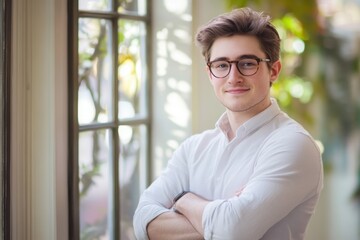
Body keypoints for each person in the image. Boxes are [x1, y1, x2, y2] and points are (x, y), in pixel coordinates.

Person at [133, 7, 323, 240]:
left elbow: (232, 231)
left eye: (247, 63)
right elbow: (142, 220)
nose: (233, 77)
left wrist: (183, 199)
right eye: (222, 65)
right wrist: (221, 218)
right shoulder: (193, 149)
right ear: (210, 73)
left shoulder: (293, 144)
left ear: (273, 70)